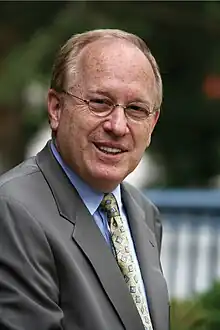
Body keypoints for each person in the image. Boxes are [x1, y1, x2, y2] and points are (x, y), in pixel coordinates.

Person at [0, 29, 169, 330]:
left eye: (136, 109)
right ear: (55, 108)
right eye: (100, 103)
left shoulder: (144, 214)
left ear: (153, 124)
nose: (118, 126)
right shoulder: (12, 211)